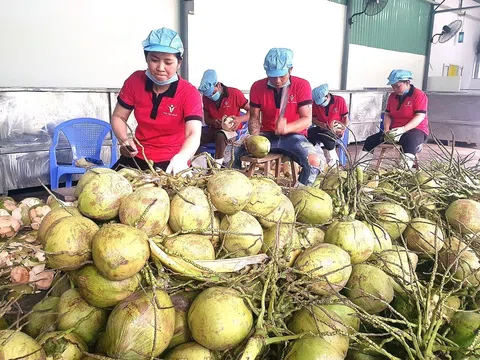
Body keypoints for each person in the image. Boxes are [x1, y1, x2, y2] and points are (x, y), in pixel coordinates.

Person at [111, 27, 203, 174]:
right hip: (137, 157)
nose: (160, 67)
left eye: (168, 62)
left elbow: (193, 133)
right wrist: (124, 140)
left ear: (179, 62)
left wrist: (181, 158)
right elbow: (119, 116)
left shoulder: (189, 93)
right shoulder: (135, 81)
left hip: (172, 161)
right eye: (154, 60)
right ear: (146, 58)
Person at [234, 48, 322, 186]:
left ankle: (300, 194)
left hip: (294, 137)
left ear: (290, 69)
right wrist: (254, 136)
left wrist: (287, 128)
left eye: (282, 76)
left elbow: (307, 119)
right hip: (266, 136)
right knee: (234, 151)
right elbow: (254, 117)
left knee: (314, 162)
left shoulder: (302, 85)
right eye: (273, 76)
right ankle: (236, 188)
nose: (278, 80)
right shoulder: (257, 87)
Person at [359, 70, 429, 169]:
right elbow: (388, 114)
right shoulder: (392, 96)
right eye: (393, 86)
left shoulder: (419, 95)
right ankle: (360, 168)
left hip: (416, 129)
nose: (395, 89)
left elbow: (419, 116)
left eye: (397, 86)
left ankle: (403, 171)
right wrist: (387, 129)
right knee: (370, 140)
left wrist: (403, 129)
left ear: (407, 83)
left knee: (409, 140)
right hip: (395, 131)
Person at [197, 69, 250, 165]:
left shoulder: (234, 94)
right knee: (195, 135)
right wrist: (213, 121)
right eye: (208, 95)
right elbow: (207, 119)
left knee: (221, 135)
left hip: (232, 132)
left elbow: (252, 112)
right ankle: (197, 165)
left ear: (218, 85)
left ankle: (217, 166)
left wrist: (239, 119)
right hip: (213, 130)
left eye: (213, 93)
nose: (211, 97)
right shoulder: (206, 98)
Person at [308, 84, 349, 166]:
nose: (321, 104)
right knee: (309, 133)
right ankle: (318, 159)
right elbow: (312, 118)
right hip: (322, 127)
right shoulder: (315, 104)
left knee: (326, 137)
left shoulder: (340, 100)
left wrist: (343, 129)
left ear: (327, 95)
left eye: (322, 102)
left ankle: (334, 162)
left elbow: (346, 118)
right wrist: (320, 124)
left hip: (336, 129)